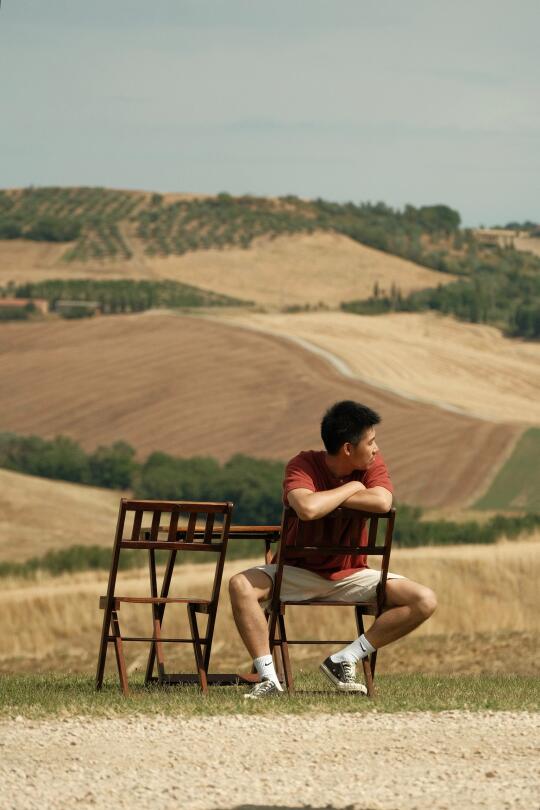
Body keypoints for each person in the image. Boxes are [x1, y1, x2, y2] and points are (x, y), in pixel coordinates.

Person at [229, 400, 437, 698]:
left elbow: (382, 502)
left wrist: (332, 496)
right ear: (348, 449)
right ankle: (268, 679)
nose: (377, 449)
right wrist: (352, 488)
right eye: (371, 442)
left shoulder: (372, 465)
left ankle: (346, 658)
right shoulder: (302, 464)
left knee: (424, 600)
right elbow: (308, 508)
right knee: (239, 585)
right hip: (297, 572)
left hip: (353, 575)